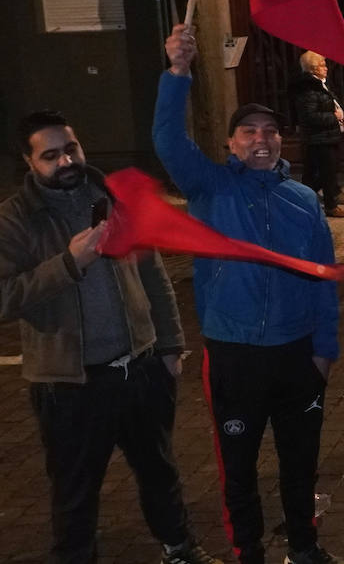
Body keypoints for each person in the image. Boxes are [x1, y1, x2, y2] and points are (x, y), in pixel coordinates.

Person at [155, 26, 344, 564]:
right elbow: (168, 140)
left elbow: (325, 279)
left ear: (281, 142)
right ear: (231, 144)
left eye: (270, 131)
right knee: (237, 467)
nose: (260, 139)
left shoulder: (304, 200)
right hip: (234, 355)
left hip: (296, 355)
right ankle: (248, 552)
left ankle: (305, 548)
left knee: (299, 464)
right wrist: (177, 73)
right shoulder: (211, 188)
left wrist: (324, 352)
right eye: (248, 132)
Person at [0, 111, 220, 564]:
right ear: (29, 161)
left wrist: (170, 345)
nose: (66, 161)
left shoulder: (113, 196)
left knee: (160, 471)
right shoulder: (15, 219)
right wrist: (68, 262)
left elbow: (153, 272)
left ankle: (181, 549)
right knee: (75, 491)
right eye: (51, 155)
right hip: (70, 383)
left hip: (138, 369)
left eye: (72, 148)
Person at [292, 51, 344, 218]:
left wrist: (342, 114)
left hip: (327, 136)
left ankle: (305, 199)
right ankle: (330, 205)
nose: (326, 68)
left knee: (322, 172)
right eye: (322, 65)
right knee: (325, 172)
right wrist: (334, 116)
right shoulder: (309, 89)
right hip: (319, 138)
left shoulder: (319, 85)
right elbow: (309, 116)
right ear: (313, 69)